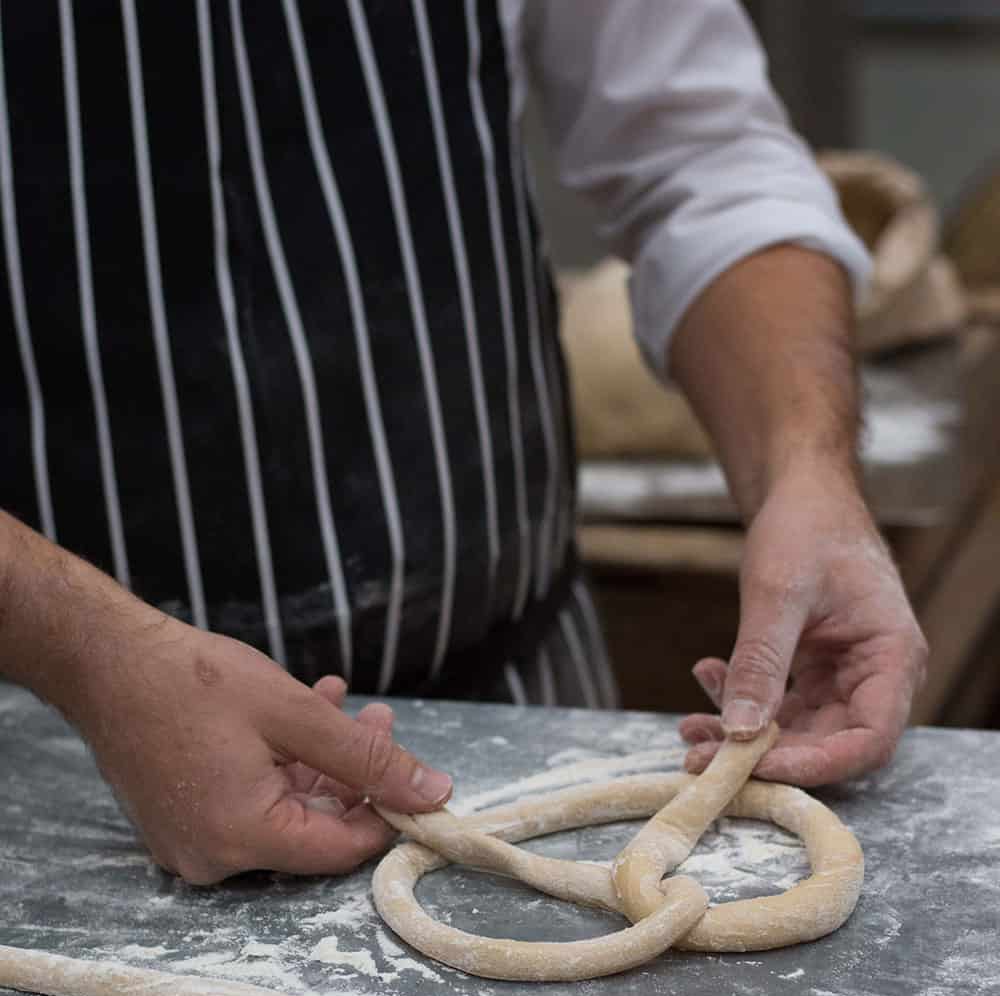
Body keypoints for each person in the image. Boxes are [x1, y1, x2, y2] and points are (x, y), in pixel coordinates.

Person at [0, 0, 925, 884]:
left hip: (519, 698)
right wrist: (85, 648)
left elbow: (700, 158)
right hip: (47, 752)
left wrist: (806, 469)